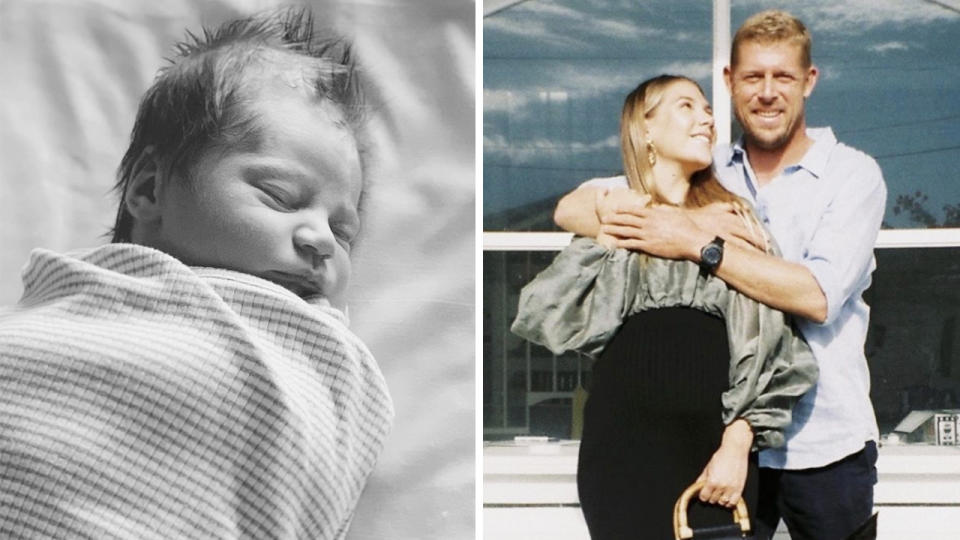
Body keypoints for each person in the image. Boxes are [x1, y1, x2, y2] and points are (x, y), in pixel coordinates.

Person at [0, 8, 392, 540]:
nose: (321, 238)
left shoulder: (316, 355)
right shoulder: (70, 322)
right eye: (280, 197)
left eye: (343, 230)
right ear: (148, 191)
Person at [553, 10, 886, 540]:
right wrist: (682, 216)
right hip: (715, 448)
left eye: (783, 77)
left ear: (809, 81)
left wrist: (694, 239)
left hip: (823, 445)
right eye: (753, 77)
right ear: (731, 82)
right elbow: (573, 207)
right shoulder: (709, 171)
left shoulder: (852, 174)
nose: (768, 92)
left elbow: (815, 296)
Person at [512, 74, 818, 540]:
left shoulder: (734, 221)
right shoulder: (616, 218)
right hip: (619, 451)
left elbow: (773, 350)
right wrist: (654, 223)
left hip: (711, 454)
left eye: (707, 109)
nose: (707, 118)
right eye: (687, 106)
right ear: (646, 129)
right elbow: (545, 312)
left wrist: (737, 445)